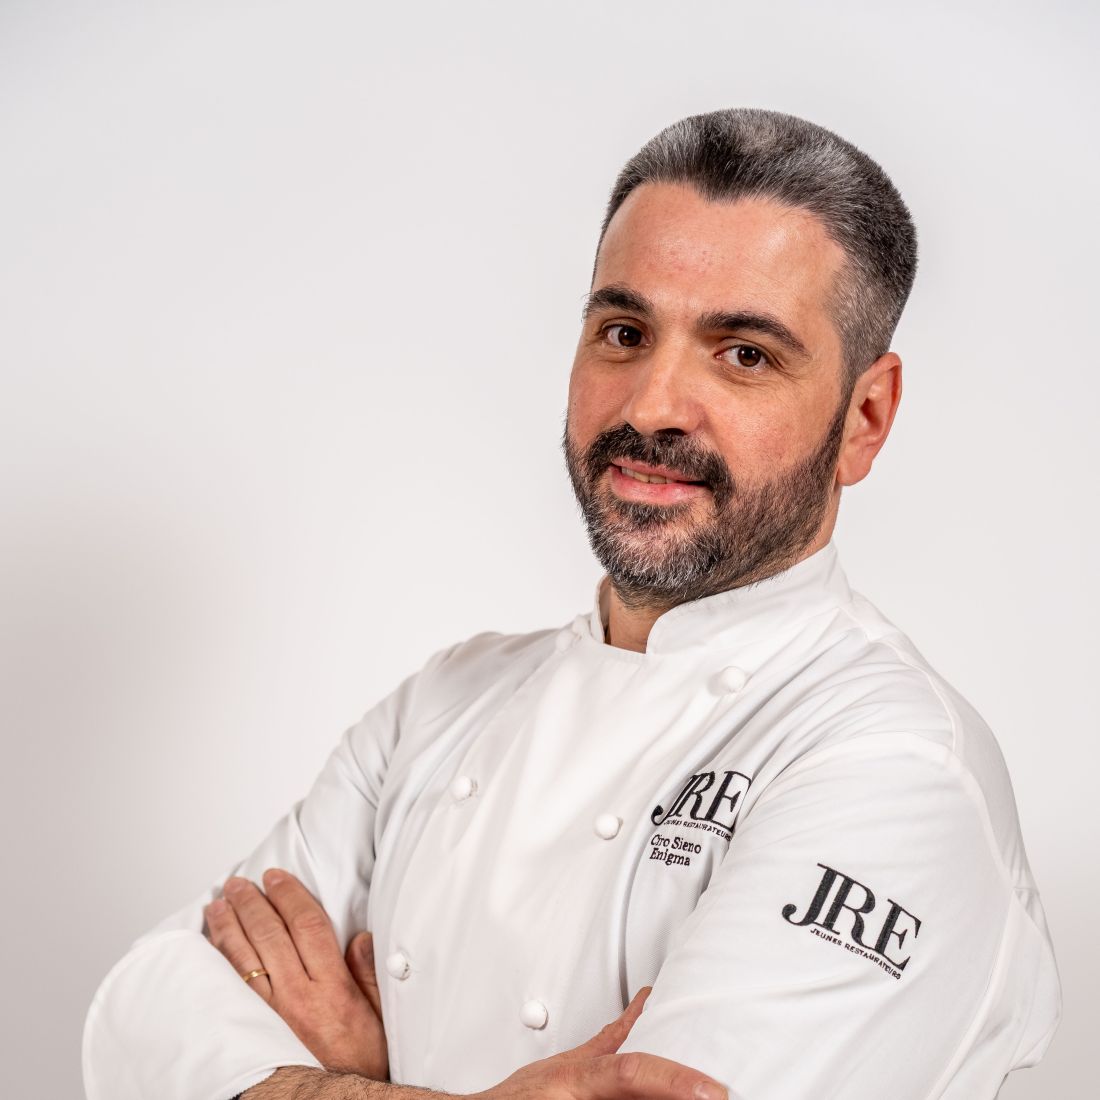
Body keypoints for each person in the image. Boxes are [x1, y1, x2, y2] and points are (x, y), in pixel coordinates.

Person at [82, 107, 1062, 1100]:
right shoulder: (446, 703)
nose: (650, 406)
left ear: (864, 417)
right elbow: (134, 1019)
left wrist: (320, 1073)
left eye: (743, 353)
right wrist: (326, 1088)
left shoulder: (897, 765)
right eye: (624, 333)